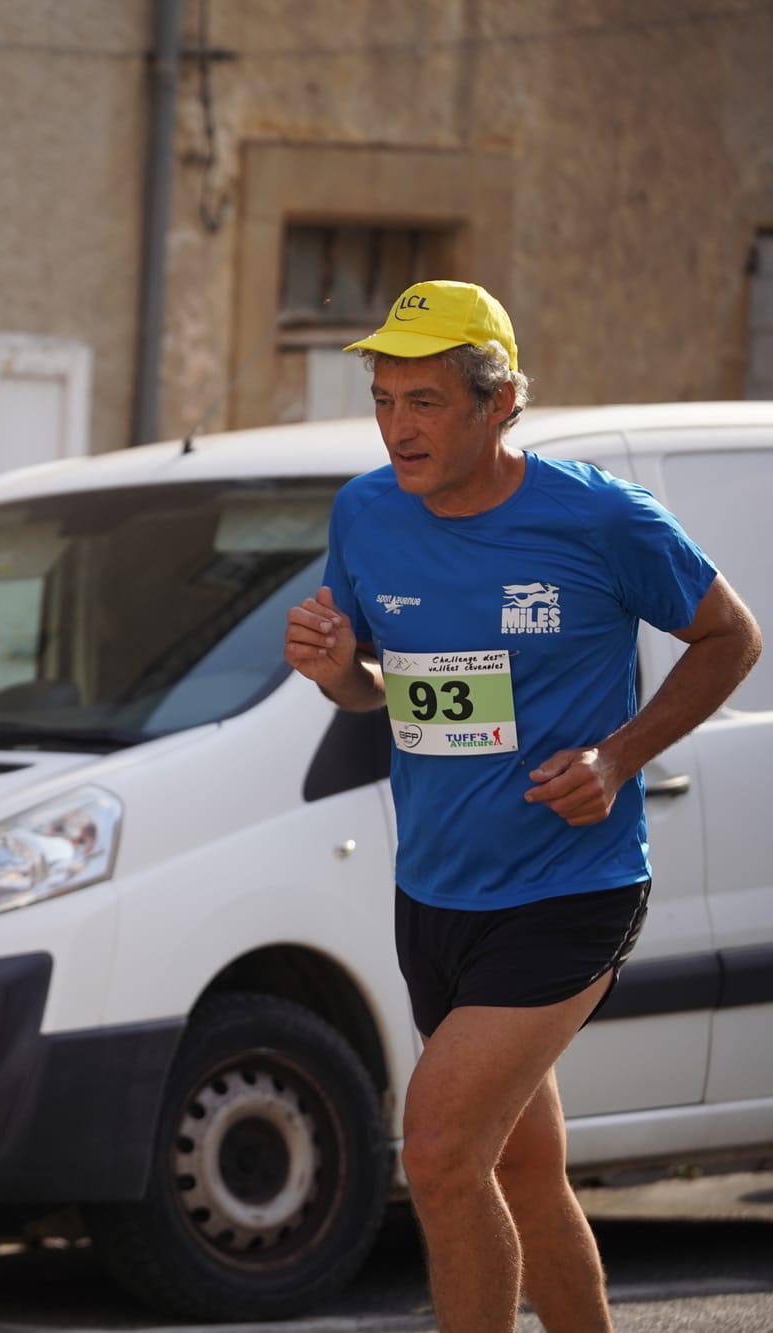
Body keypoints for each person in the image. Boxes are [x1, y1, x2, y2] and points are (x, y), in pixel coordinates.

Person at [283, 280, 761, 1332]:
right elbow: (377, 686)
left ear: (498, 405)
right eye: (383, 399)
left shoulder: (597, 518)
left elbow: (732, 636)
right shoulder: (365, 511)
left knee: (440, 1154)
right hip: (435, 890)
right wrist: (333, 673)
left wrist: (617, 755)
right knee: (523, 1169)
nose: (397, 428)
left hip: (570, 884)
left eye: (425, 402)